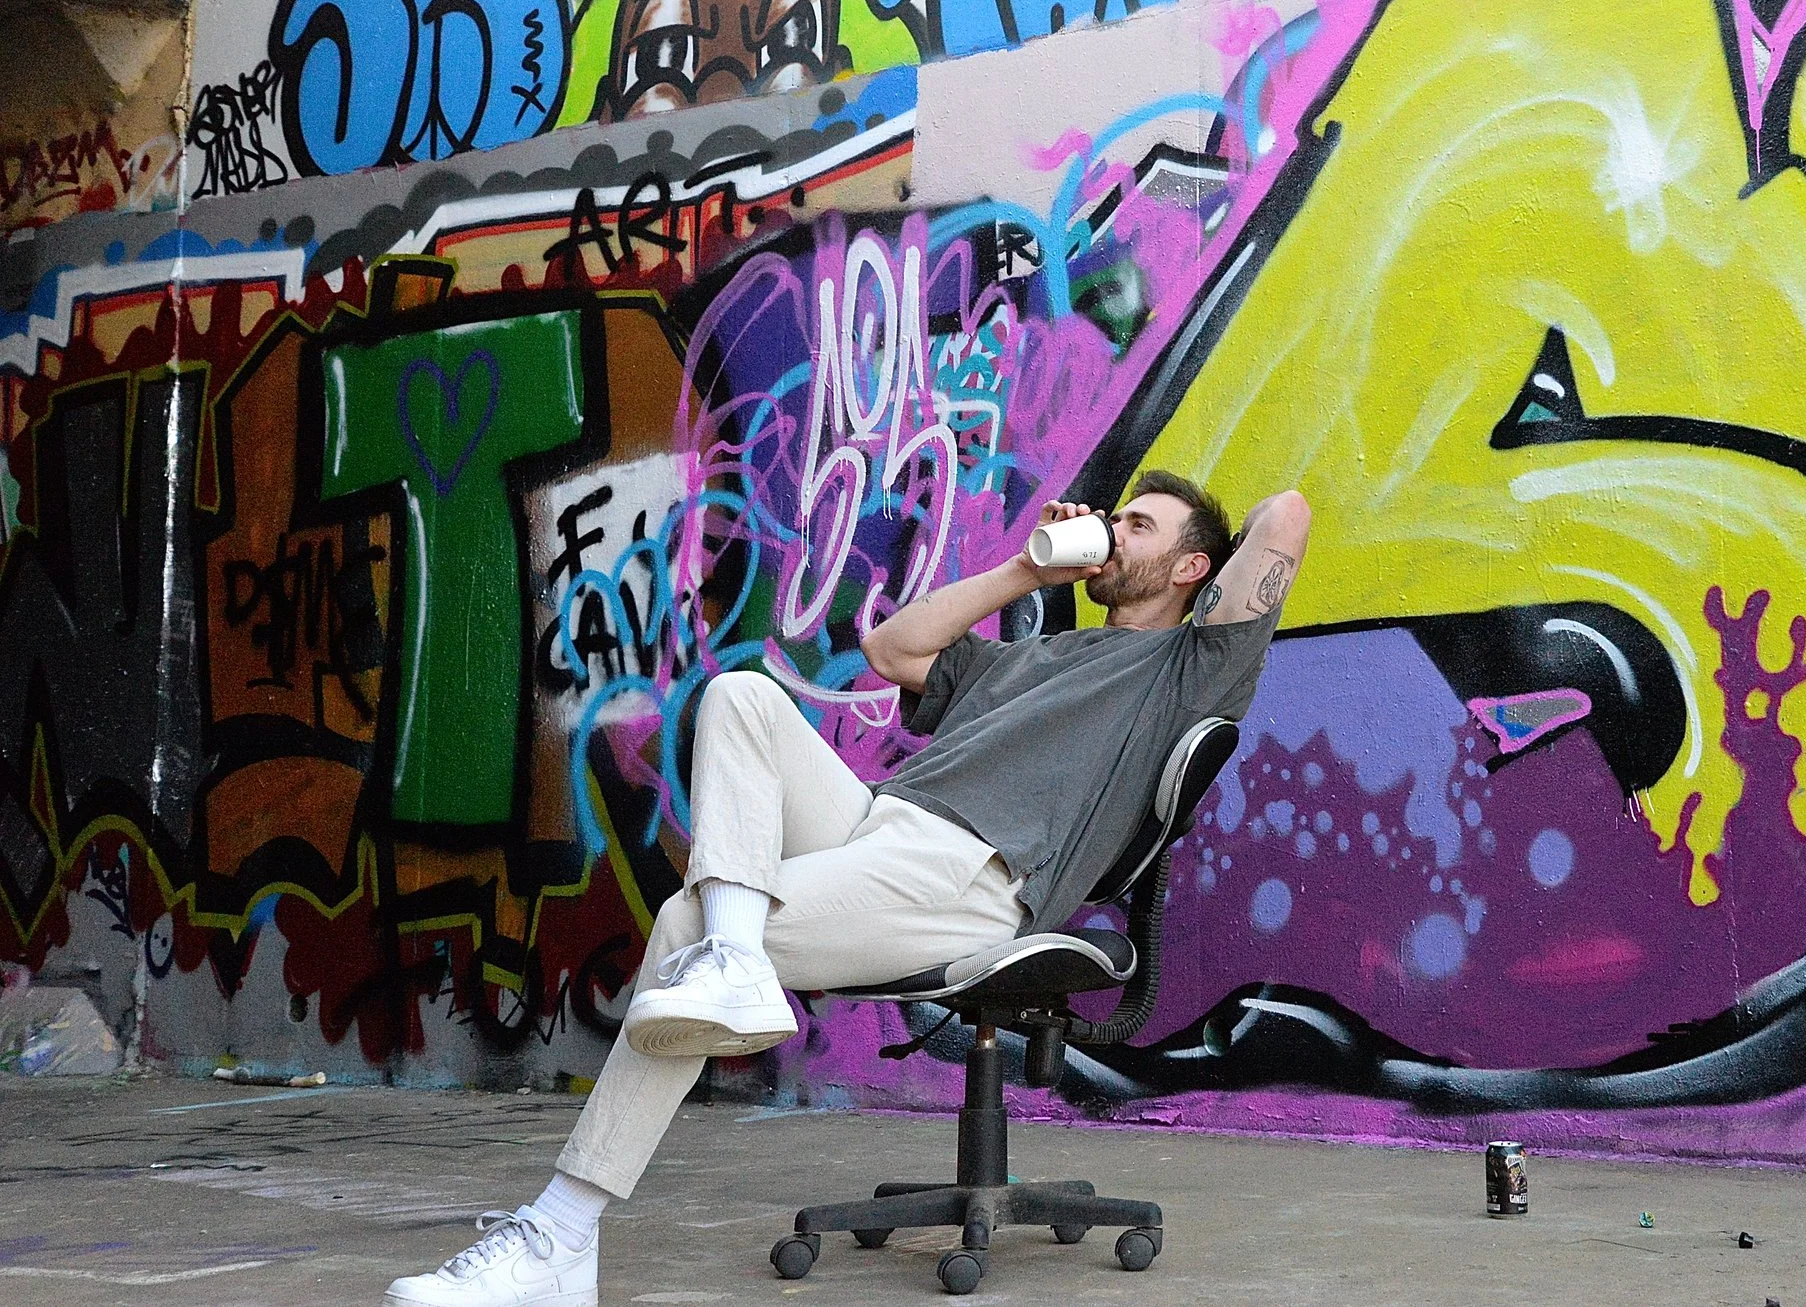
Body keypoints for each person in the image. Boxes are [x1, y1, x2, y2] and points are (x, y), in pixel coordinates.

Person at [384, 472, 1310, 1306]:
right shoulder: (1033, 658)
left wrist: (1176, 554)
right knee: (742, 698)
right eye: (1114, 517)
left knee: (681, 919)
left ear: (1194, 565)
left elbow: (1287, 513)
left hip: (969, 872)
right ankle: (734, 959)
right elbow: (891, 649)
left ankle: (561, 1231)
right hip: (879, 822)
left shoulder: (1190, 668)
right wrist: (1031, 570)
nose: (1113, 529)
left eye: (1139, 526)